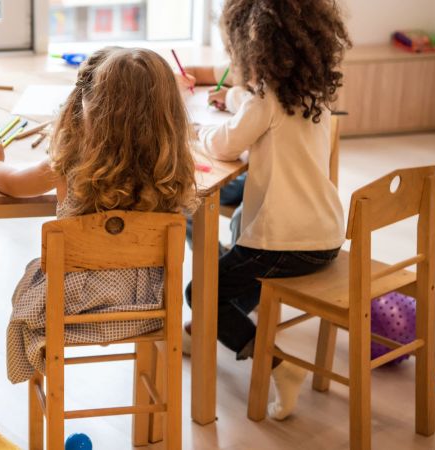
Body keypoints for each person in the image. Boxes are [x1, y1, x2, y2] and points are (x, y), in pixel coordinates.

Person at [0, 47, 200, 383]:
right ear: (170, 113)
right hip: (150, 310)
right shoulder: (173, 170)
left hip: (73, 310)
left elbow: (12, 184)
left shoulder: (69, 165)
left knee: (28, 285)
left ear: (89, 107)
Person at [183, 0, 351, 420]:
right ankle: (213, 328)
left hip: (283, 245)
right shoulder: (312, 95)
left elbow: (223, 144)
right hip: (325, 238)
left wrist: (195, 129)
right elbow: (262, 108)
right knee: (237, 250)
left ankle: (277, 365)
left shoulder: (264, 99)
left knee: (200, 292)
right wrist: (236, 97)